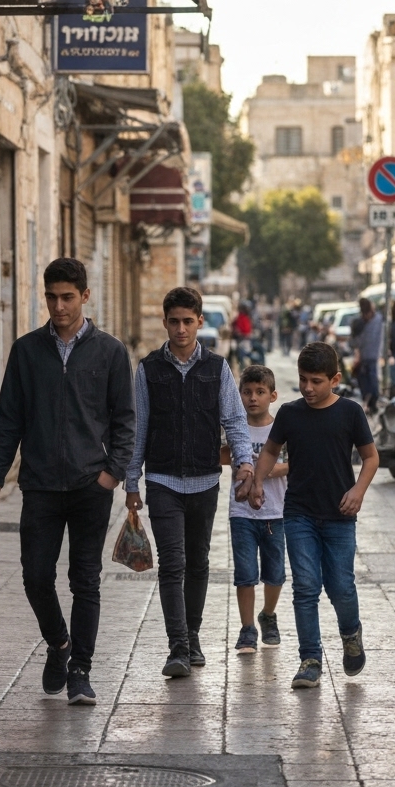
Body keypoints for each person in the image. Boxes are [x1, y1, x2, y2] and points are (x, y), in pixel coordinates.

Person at [0, 258, 136, 706]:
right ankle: (59, 643)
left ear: (85, 296)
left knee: (86, 580)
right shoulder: (27, 351)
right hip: (41, 485)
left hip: (91, 485)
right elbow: (8, 419)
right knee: (35, 576)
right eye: (51, 297)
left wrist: (112, 474)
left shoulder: (109, 352)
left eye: (68, 297)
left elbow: (125, 421)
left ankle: (81, 671)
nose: (59, 306)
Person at [126, 286, 254, 679]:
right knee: (173, 563)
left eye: (188, 321)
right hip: (162, 479)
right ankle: (178, 647)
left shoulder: (217, 369)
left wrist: (245, 463)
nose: (181, 329)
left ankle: (193, 635)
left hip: (204, 480)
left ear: (200, 321)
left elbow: (233, 420)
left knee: (198, 562)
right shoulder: (148, 369)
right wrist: (132, 481)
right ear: (165, 323)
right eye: (174, 322)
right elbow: (139, 427)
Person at [249, 342, 380, 689]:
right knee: (306, 587)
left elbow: (371, 458)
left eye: (316, 381)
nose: (308, 388)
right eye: (303, 380)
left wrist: (358, 490)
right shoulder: (290, 414)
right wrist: (258, 482)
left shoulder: (350, 412)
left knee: (340, 587)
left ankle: (351, 633)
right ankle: (310, 659)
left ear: (335, 379)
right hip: (299, 513)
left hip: (339, 516)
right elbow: (270, 451)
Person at [224, 365, 287, 655]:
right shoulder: (236, 429)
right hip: (242, 513)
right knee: (245, 573)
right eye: (247, 392)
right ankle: (247, 628)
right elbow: (226, 456)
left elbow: (294, 464)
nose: (253, 398)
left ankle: (268, 615)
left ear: (272, 395)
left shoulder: (281, 430)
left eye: (260, 392)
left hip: (276, 512)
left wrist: (263, 470)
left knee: (275, 574)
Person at [349, 297, 383, 413]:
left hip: (363, 356)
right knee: (372, 378)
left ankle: (368, 400)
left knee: (364, 379)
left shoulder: (359, 323)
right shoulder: (378, 319)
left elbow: (354, 342)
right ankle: (372, 401)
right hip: (373, 354)